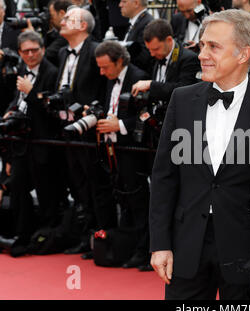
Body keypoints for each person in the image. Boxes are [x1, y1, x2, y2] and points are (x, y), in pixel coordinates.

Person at [149, 9, 250, 300]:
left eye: (213, 46)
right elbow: (164, 176)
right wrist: (160, 243)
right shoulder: (182, 99)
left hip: (247, 250)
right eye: (202, 45)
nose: (202, 54)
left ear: (243, 54)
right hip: (187, 243)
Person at [56, 7, 116, 255]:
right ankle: (86, 235)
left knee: (97, 186)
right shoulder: (61, 53)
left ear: (83, 25)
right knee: (78, 185)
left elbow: (104, 87)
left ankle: (104, 238)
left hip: (92, 130)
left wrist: (96, 115)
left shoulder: (95, 50)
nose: (62, 21)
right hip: (67, 129)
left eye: (68, 19)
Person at [93, 40, 152, 270]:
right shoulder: (110, 79)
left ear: (119, 61)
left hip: (133, 151)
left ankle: (144, 251)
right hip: (112, 150)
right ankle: (128, 247)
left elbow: (146, 116)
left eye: (105, 67)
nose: (102, 72)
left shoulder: (139, 76)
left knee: (139, 202)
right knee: (124, 200)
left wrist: (120, 126)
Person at [1, 31, 60, 256]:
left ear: (43, 49)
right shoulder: (21, 72)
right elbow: (16, 102)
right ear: (19, 53)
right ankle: (22, 234)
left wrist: (31, 91)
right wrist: (9, 113)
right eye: (25, 51)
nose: (30, 55)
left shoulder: (52, 72)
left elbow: (51, 112)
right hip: (21, 143)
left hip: (42, 142)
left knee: (46, 191)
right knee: (17, 186)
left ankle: (46, 236)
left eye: (34, 50)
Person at [131, 19, 200, 104]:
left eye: (156, 49)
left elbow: (183, 90)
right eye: (149, 50)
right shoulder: (156, 55)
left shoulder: (189, 59)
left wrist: (151, 85)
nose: (152, 54)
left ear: (169, 40)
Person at [119, 0, 154, 71]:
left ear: (136, 3)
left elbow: (143, 58)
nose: (120, 5)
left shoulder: (147, 24)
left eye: (124, 2)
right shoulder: (137, 22)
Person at [45, 0, 71, 67]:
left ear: (62, 13)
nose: (51, 20)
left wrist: (33, 37)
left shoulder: (69, 33)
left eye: (52, 16)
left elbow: (47, 55)